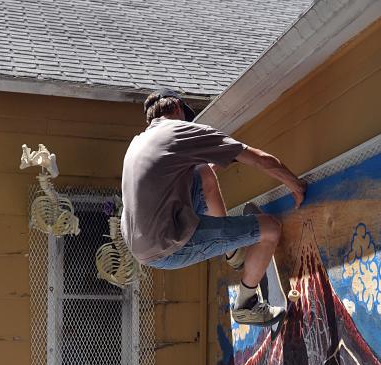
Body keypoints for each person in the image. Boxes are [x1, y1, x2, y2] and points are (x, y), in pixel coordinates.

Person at [121, 89, 306, 326]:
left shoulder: (138, 143)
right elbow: (258, 159)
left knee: (202, 171)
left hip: (144, 240)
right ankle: (246, 304)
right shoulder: (179, 131)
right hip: (168, 245)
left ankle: (232, 253)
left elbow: (180, 174)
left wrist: (219, 157)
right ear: (177, 107)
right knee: (270, 228)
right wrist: (296, 185)